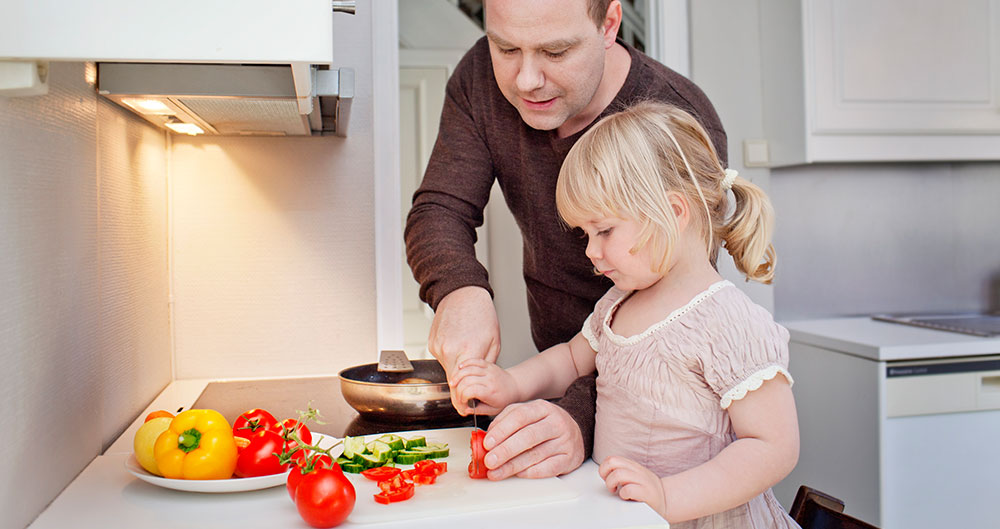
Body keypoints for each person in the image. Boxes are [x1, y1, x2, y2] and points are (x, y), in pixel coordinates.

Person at [404, 0, 727, 480]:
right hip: (559, 380)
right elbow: (439, 209)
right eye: (506, 47)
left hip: (658, 422)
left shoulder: (677, 117)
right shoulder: (479, 77)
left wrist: (580, 416)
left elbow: (671, 322)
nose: (526, 79)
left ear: (609, 24)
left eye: (555, 51)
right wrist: (458, 290)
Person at [451, 101, 799, 527]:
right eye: (586, 234)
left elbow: (773, 446)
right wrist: (512, 383)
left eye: (605, 231)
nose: (591, 251)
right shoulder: (620, 301)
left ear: (673, 212)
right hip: (626, 516)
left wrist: (668, 496)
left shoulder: (728, 323)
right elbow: (572, 358)